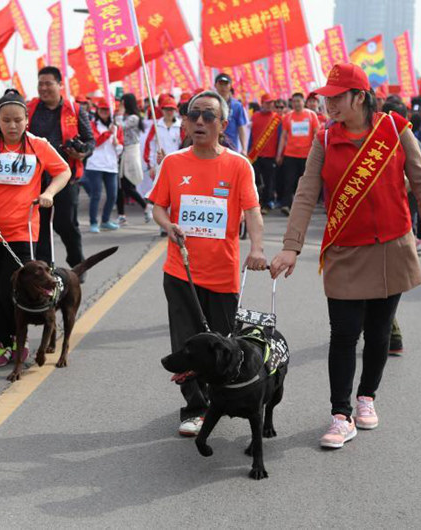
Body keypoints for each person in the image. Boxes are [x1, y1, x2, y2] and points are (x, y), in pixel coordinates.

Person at [270, 63, 421, 449]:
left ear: (359, 97)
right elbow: (305, 192)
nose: (327, 104)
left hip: (391, 249)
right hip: (345, 251)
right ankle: (340, 415)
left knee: (380, 332)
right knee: (343, 334)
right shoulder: (325, 139)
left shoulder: (395, 131)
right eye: (325, 98)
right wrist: (291, 246)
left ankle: (367, 398)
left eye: (335, 97)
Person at [148, 90, 267, 437]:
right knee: (186, 343)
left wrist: (257, 247)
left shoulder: (238, 165)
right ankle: (195, 407)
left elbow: (253, 211)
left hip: (223, 272)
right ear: (185, 121)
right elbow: (158, 205)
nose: (199, 121)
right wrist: (167, 225)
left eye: (208, 116)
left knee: (224, 344)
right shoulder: (173, 162)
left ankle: (226, 397)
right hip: (180, 270)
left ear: (223, 124)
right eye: (193, 114)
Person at [0, 89, 71, 367]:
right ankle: (3, 344)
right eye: (6, 121)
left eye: (17, 120)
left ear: (27, 120)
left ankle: (20, 340)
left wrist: (49, 192)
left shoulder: (39, 145)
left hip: (23, 232)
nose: (12, 126)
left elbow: (63, 171)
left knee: (10, 291)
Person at [27, 66, 93, 270]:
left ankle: (77, 263)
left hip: (66, 176)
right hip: (36, 177)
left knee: (65, 224)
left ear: (60, 85)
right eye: (40, 84)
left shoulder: (75, 109)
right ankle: (43, 269)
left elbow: (90, 140)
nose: (44, 88)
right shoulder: (30, 108)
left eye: (48, 83)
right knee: (40, 225)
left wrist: (82, 153)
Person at [276, 92, 321, 216]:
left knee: (304, 183)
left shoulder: (311, 115)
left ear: (303, 102)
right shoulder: (288, 117)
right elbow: (283, 137)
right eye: (294, 101)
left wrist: (317, 153)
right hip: (290, 154)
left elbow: (317, 135)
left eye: (299, 101)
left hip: (307, 155)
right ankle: (286, 205)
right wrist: (279, 154)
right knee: (289, 181)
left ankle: (304, 207)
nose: (296, 104)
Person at [83, 98, 123, 233]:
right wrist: (108, 134)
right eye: (101, 110)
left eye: (106, 110)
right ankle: (93, 222)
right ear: (97, 111)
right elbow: (95, 142)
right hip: (95, 165)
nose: (104, 112)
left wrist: (118, 145)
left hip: (111, 165)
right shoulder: (92, 125)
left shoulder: (117, 127)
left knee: (113, 195)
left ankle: (105, 220)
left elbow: (121, 147)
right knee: (96, 195)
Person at [116, 93, 151, 225]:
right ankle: (121, 214)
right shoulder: (126, 117)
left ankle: (145, 206)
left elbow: (120, 127)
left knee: (127, 185)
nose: (120, 105)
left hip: (130, 152)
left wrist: (119, 113)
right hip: (121, 152)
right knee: (120, 185)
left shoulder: (134, 118)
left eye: (122, 103)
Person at [248, 93, 282, 214]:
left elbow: (280, 138)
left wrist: (279, 154)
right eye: (267, 103)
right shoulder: (254, 117)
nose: (269, 105)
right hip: (255, 155)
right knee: (255, 180)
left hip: (270, 155)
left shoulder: (277, 118)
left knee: (269, 181)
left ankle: (268, 203)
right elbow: (249, 136)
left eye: (271, 103)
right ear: (262, 103)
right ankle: (257, 202)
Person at [214, 72, 248, 153]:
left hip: (231, 146)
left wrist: (244, 148)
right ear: (215, 85)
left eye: (226, 84)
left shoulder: (237, 105)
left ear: (230, 86)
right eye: (220, 84)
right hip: (213, 145)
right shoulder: (211, 103)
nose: (223, 87)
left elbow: (241, 127)